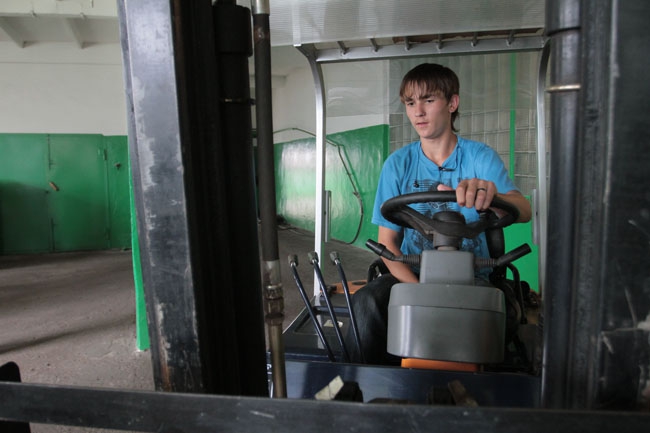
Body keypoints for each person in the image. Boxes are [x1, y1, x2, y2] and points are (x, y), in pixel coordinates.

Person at [349, 63, 532, 365]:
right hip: (411, 275)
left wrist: (492, 195)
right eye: (410, 103)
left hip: (472, 276)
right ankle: (369, 384)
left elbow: (523, 209)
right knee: (366, 303)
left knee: (499, 318)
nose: (418, 112)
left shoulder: (479, 157)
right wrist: (418, 292)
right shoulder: (397, 165)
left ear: (452, 103)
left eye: (428, 100)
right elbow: (388, 244)